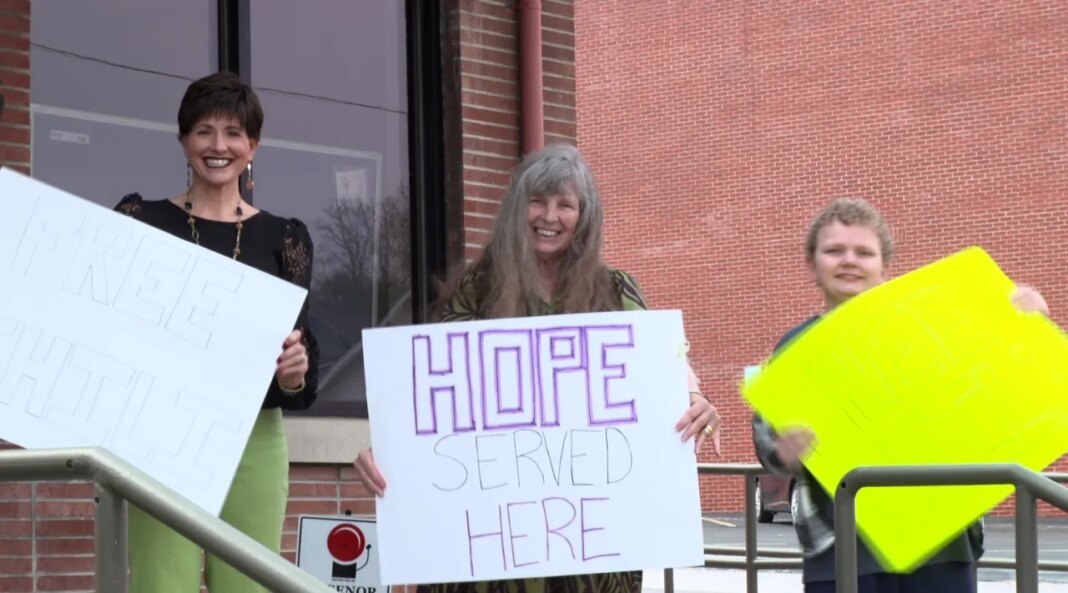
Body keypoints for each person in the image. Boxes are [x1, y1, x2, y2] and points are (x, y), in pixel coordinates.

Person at [354, 143, 720, 593]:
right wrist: (390, 451)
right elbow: (429, 403)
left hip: (591, 562)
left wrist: (696, 400)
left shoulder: (614, 292)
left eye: (565, 204)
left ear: (583, 217)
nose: (549, 216)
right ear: (517, 210)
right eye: (538, 201)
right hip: (485, 562)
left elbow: (664, 369)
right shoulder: (475, 292)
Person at [752, 198, 1049, 593]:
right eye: (834, 250)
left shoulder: (933, 330)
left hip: (942, 541)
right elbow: (766, 435)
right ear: (812, 264)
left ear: (883, 267)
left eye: (863, 252)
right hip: (840, 545)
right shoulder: (793, 349)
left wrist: (1027, 328)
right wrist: (781, 451)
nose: (849, 261)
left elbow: (1000, 383)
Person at [114, 71, 318, 593]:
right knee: (163, 584)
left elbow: (296, 352)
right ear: (183, 140)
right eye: (204, 131)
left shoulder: (285, 238)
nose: (218, 146)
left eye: (233, 133)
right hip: (160, 432)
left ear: (254, 145)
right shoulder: (140, 220)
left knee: (249, 585)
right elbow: (109, 327)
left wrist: (296, 373)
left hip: (254, 438)